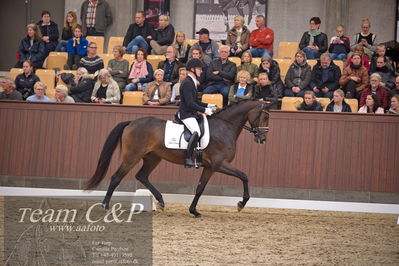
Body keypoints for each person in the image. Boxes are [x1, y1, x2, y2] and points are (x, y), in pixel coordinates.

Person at [178, 58, 215, 167]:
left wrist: (208, 105)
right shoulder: (187, 83)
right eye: (199, 69)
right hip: (186, 114)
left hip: (191, 113)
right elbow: (190, 104)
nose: (201, 71)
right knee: (197, 131)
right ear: (192, 69)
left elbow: (195, 101)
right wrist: (205, 110)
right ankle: (188, 158)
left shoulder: (192, 82)